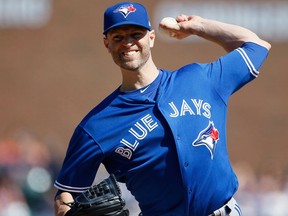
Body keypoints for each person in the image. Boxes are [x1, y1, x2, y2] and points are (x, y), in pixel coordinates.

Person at [54, 2, 271, 216]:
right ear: (106, 44)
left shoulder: (200, 79)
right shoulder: (96, 125)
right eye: (118, 37)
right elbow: (65, 196)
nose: (127, 42)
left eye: (135, 34)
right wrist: (66, 211)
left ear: (151, 37)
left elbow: (257, 46)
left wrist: (198, 27)